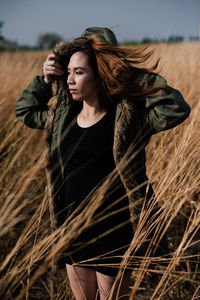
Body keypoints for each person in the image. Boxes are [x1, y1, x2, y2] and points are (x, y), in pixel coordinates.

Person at [15, 27, 190, 300]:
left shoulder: (127, 122)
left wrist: (129, 75)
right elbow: (24, 110)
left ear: (101, 75)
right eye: (68, 71)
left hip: (114, 233)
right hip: (73, 229)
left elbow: (176, 108)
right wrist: (45, 79)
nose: (70, 79)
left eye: (79, 72)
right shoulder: (62, 121)